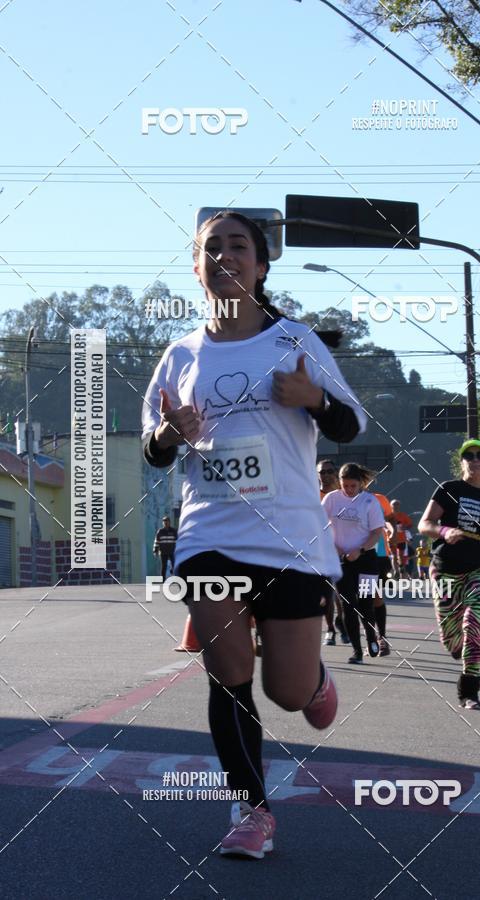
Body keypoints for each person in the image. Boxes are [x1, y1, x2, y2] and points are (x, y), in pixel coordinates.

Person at [142, 211, 366, 859]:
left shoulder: (295, 340)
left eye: (237, 246)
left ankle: (313, 681)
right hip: (208, 534)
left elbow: (350, 424)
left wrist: (313, 398)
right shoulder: (180, 355)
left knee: (285, 692)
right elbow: (154, 449)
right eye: (210, 248)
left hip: (289, 538)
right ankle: (251, 811)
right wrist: (168, 434)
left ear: (261, 265)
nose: (224, 256)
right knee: (228, 672)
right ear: (196, 268)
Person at [418, 439, 480, 710]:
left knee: (473, 624)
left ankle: (469, 692)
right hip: (446, 569)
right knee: (451, 639)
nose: (475, 460)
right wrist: (444, 531)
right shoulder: (449, 489)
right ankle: (458, 645)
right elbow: (424, 524)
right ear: (462, 462)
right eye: (469, 456)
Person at [322, 463, 384, 663]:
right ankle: (357, 651)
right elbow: (319, 525)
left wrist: (361, 550)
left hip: (366, 560)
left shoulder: (369, 501)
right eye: (345, 486)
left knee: (366, 604)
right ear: (339, 483)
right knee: (348, 605)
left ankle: (371, 637)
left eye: (353, 486)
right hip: (341, 561)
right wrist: (333, 547)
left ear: (360, 484)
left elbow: (376, 532)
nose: (349, 490)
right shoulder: (331, 499)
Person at [317, 459, 348, 646]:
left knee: (342, 592)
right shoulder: (312, 495)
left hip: (341, 548)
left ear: (335, 473)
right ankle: (330, 629)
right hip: (319, 549)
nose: (326, 475)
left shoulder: (342, 495)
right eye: (322, 472)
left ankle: (340, 620)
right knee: (327, 592)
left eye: (329, 471)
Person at [370, 486, 396, 655]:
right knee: (361, 600)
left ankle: (381, 639)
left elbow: (389, 519)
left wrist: (392, 531)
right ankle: (371, 637)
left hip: (378, 554)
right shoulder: (340, 499)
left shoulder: (379, 499)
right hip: (352, 553)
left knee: (375, 596)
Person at [390, 501, 412, 577]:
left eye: (397, 504)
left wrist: (404, 527)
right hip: (392, 539)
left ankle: (401, 567)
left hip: (402, 539)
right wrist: (388, 530)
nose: (396, 506)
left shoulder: (403, 515)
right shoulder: (388, 515)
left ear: (399, 506)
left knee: (401, 556)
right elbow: (383, 525)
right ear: (390, 506)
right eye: (394, 504)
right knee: (394, 555)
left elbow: (410, 524)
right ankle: (396, 571)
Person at [153, 515, 177, 581]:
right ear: (162, 523)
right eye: (164, 521)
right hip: (163, 551)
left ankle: (174, 576)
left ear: (169, 522)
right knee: (164, 566)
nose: (165, 522)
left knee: (174, 564)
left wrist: (178, 550)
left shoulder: (173, 531)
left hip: (172, 551)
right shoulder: (160, 531)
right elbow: (156, 541)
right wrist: (155, 550)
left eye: (167, 521)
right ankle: (163, 579)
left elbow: (177, 541)